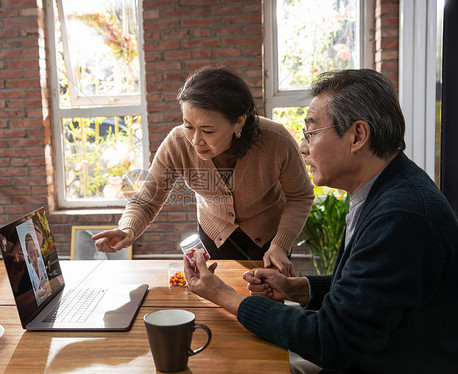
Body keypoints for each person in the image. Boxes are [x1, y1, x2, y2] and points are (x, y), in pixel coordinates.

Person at [183, 69, 458, 373]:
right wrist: (297, 288)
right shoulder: (386, 191)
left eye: (311, 133)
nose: (302, 147)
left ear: (357, 136)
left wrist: (224, 296)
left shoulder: (402, 217)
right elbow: (363, 294)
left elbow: (331, 340)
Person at [93, 65, 314, 275]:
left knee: (265, 304)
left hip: (270, 237)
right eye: (189, 126)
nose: (195, 140)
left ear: (238, 122)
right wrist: (128, 229)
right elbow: (146, 199)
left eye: (207, 131)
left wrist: (281, 245)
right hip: (213, 234)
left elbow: (300, 196)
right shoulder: (178, 143)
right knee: (214, 301)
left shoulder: (276, 140)